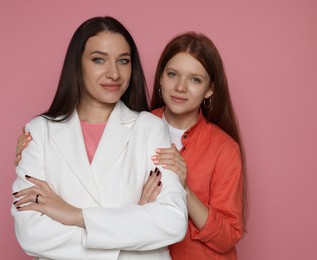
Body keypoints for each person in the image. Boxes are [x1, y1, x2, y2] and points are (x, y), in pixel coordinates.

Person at [15, 31, 247, 259]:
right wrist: (135, 223)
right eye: (172, 74)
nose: (180, 87)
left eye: (195, 79)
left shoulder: (216, 146)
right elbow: (31, 234)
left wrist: (75, 216)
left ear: (210, 89)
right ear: (160, 78)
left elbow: (184, 226)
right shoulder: (147, 123)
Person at [11, 16, 187, 260]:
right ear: (77, 64)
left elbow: (173, 222)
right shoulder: (39, 131)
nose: (114, 73)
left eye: (123, 61)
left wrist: (74, 215)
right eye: (99, 60)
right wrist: (130, 229)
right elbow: (31, 234)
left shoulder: (150, 128)